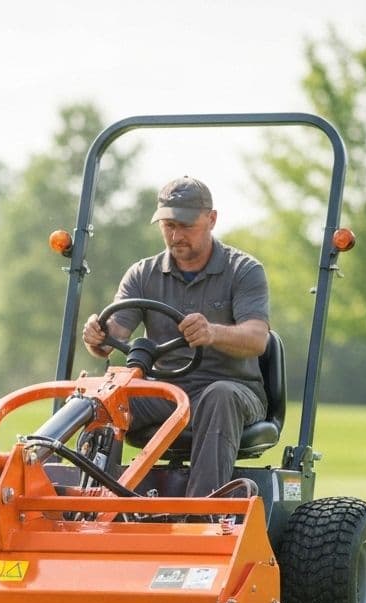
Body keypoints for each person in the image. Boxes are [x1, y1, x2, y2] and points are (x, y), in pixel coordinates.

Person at [82, 176, 270, 497]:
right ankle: (88, 504)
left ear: (211, 220)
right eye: (168, 225)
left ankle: (201, 513)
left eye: (185, 225)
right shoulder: (143, 273)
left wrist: (212, 332)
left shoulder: (244, 270)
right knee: (101, 397)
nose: (176, 235)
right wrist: (97, 336)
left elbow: (257, 338)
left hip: (232, 391)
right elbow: (113, 336)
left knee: (219, 395)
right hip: (165, 393)